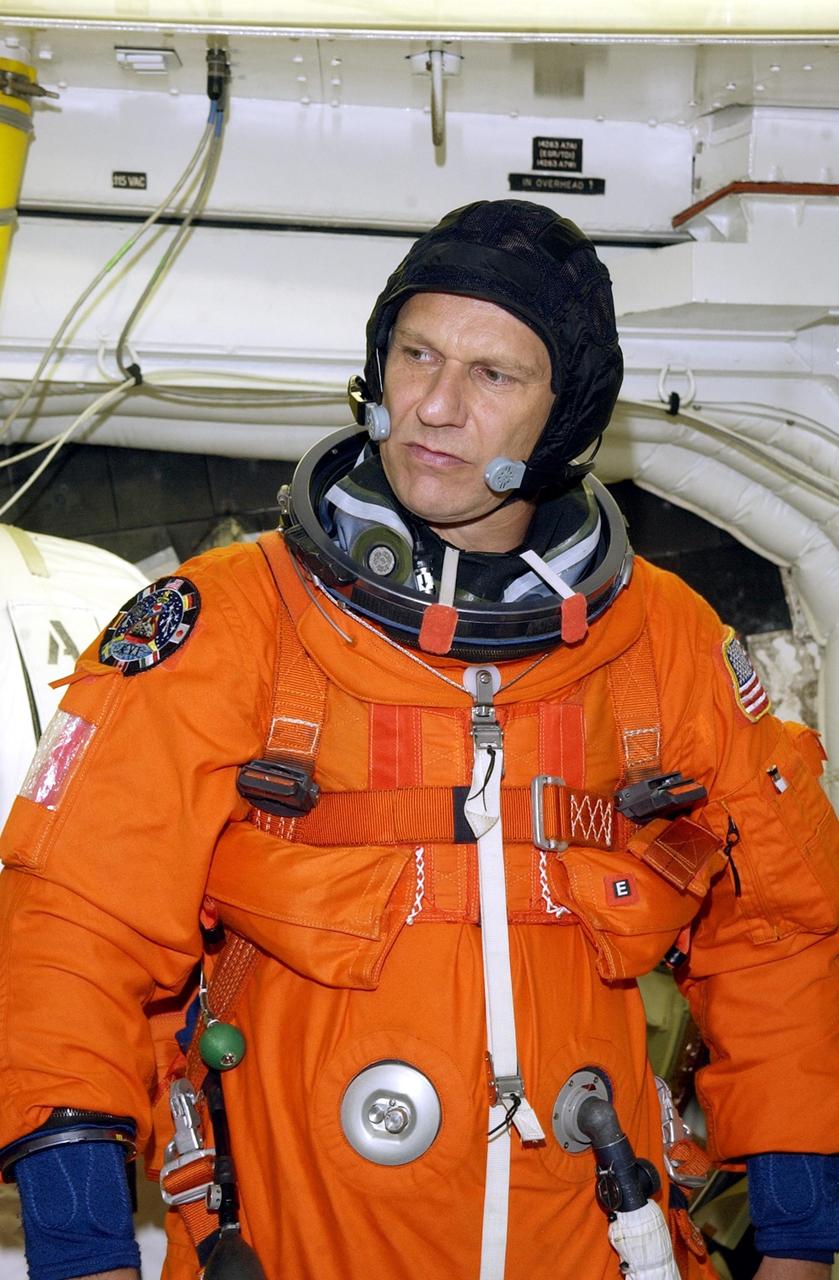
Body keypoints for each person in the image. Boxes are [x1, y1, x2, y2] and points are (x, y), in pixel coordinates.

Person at [0, 199, 836, 1280]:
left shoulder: (662, 643)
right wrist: (80, 1250)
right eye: (416, 353)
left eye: (493, 376)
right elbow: (72, 927)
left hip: (591, 1235)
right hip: (295, 1242)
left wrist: (801, 1236)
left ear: (565, 411)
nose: (435, 408)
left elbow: (780, 928)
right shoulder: (230, 627)